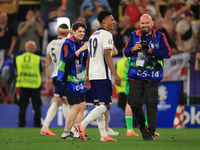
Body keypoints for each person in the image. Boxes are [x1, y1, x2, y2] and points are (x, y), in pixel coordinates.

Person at [75, 10, 121, 142]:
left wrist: (88, 75)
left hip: (93, 74)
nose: (114, 22)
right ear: (104, 21)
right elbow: (108, 55)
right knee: (106, 105)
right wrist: (115, 73)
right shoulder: (107, 35)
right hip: (102, 74)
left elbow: (89, 57)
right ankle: (81, 125)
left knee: (98, 105)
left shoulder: (93, 35)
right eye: (112, 19)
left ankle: (103, 135)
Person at [124, 14, 171, 140]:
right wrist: (134, 49)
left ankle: (150, 132)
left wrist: (151, 51)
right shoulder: (134, 35)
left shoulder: (161, 36)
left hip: (152, 76)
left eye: (147, 23)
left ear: (152, 23)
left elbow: (168, 53)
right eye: (142, 23)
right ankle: (142, 127)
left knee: (151, 103)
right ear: (140, 24)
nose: (144, 25)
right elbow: (126, 52)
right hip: (135, 74)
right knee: (133, 103)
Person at [57, 22, 89, 140]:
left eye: (83, 32)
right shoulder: (68, 43)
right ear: (73, 32)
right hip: (68, 79)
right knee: (75, 107)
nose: (82, 34)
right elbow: (68, 59)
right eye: (79, 31)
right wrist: (80, 50)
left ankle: (77, 133)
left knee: (82, 105)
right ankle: (65, 133)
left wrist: (86, 51)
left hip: (78, 79)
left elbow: (83, 60)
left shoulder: (82, 43)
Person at [40, 24, 71, 135]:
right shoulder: (66, 41)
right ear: (66, 31)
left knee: (65, 101)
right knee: (57, 101)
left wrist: (48, 78)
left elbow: (47, 62)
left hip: (55, 74)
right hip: (63, 74)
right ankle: (45, 127)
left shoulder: (50, 44)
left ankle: (70, 128)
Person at [15, 41, 42, 127]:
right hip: (35, 84)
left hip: (23, 84)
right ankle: (37, 124)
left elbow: (16, 69)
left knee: (23, 105)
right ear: (31, 48)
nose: (35, 48)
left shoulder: (18, 58)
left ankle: (21, 123)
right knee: (36, 105)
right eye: (34, 46)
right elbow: (40, 70)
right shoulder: (37, 58)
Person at [116, 57, 139, 137]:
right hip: (134, 81)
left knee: (128, 103)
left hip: (125, 84)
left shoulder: (120, 61)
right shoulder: (136, 57)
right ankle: (136, 122)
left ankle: (130, 127)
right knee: (133, 103)